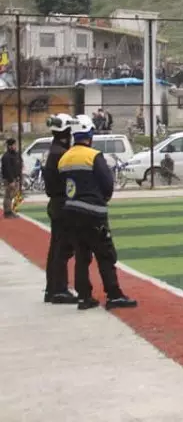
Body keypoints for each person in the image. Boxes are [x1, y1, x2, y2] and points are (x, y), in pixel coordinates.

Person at [58, 115, 137, 310]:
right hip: (93, 213)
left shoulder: (64, 158)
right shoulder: (93, 155)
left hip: (71, 213)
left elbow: (62, 186)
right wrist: (103, 199)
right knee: (105, 255)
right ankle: (114, 295)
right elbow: (107, 183)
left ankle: (84, 297)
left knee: (81, 256)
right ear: (89, 133)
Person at [43, 114, 78, 304]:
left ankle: (53, 289)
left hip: (56, 203)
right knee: (62, 249)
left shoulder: (54, 150)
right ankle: (59, 289)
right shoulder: (62, 154)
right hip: (62, 204)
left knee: (56, 248)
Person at [2, 138, 22, 217]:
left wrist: (19, 176)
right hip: (10, 179)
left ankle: (11, 210)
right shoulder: (6, 156)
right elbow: (7, 169)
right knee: (8, 196)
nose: (15, 146)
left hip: (16, 178)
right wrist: (11, 181)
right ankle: (7, 212)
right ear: (10, 146)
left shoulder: (16, 154)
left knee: (13, 195)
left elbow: (19, 164)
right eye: (14, 145)